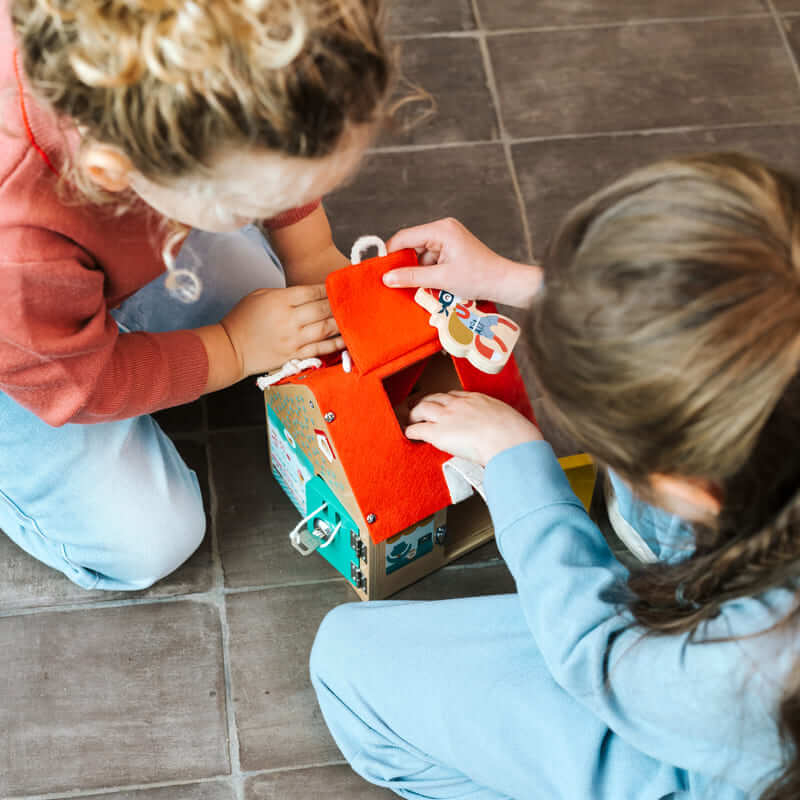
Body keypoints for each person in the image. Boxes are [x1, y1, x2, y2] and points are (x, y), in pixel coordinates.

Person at [310, 153, 800, 800]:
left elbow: (599, 658)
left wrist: (521, 470)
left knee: (347, 658)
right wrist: (516, 282)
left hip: (731, 744)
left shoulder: (740, 666)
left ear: (694, 489)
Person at [0, 0, 390, 590]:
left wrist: (309, 253)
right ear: (118, 168)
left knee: (278, 307)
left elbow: (274, 118)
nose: (271, 211)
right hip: (28, 356)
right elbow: (82, 386)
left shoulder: (200, 59)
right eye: (251, 206)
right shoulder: (18, 243)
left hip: (88, 250)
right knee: (150, 542)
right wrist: (232, 347)